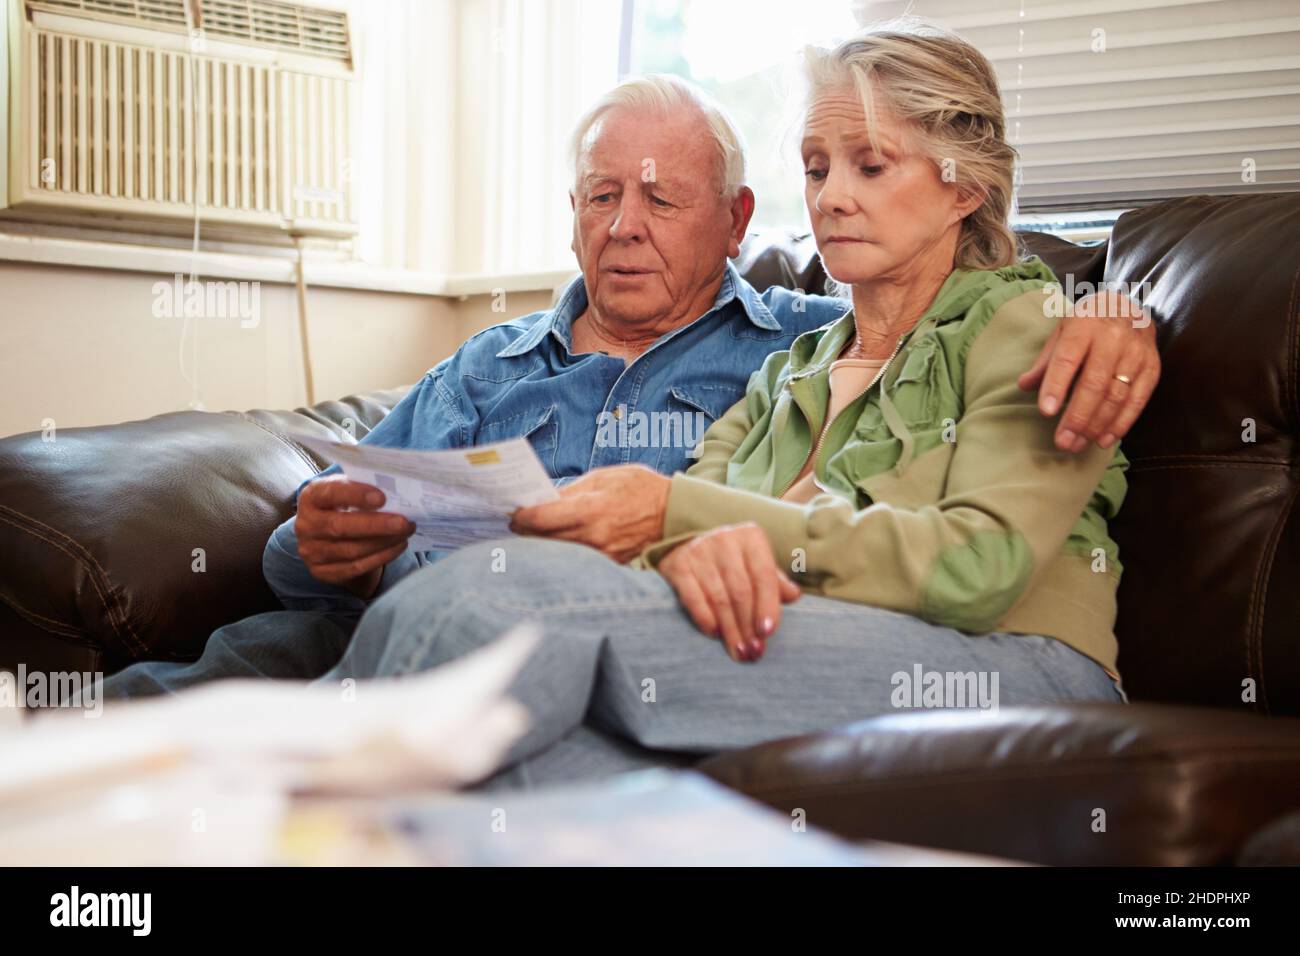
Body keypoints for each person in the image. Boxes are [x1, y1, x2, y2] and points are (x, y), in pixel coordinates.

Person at [99, 64, 1156, 700]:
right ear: (571, 211)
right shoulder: (487, 360)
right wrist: (314, 543)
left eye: (659, 198)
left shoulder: (795, 340)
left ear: (737, 222)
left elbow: (954, 317)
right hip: (359, 621)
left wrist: (1116, 310)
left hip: (543, 639)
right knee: (150, 703)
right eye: (601, 195)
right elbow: (306, 552)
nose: (623, 225)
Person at [321, 21, 1145, 792]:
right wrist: (688, 551)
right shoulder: (794, 367)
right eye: (817, 167)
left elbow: (976, 570)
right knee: (528, 773)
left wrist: (679, 513)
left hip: (1007, 665)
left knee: (491, 599)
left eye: (871, 164)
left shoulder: (1035, 329)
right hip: (805, 646)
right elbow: (694, 528)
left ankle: (292, 792)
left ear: (963, 188)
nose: (831, 198)